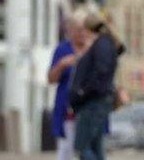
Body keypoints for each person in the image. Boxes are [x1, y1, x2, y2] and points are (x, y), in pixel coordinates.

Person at [69, 11, 122, 160]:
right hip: (96, 100)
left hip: (93, 102)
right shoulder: (103, 43)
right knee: (95, 146)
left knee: (82, 146)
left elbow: (101, 72)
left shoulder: (103, 44)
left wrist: (82, 91)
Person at [47, 10, 87, 160]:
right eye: (78, 30)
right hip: (68, 111)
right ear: (70, 31)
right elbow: (51, 79)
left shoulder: (94, 49)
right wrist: (62, 65)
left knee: (88, 150)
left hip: (89, 110)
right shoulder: (63, 50)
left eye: (85, 30)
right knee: (66, 150)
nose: (82, 34)